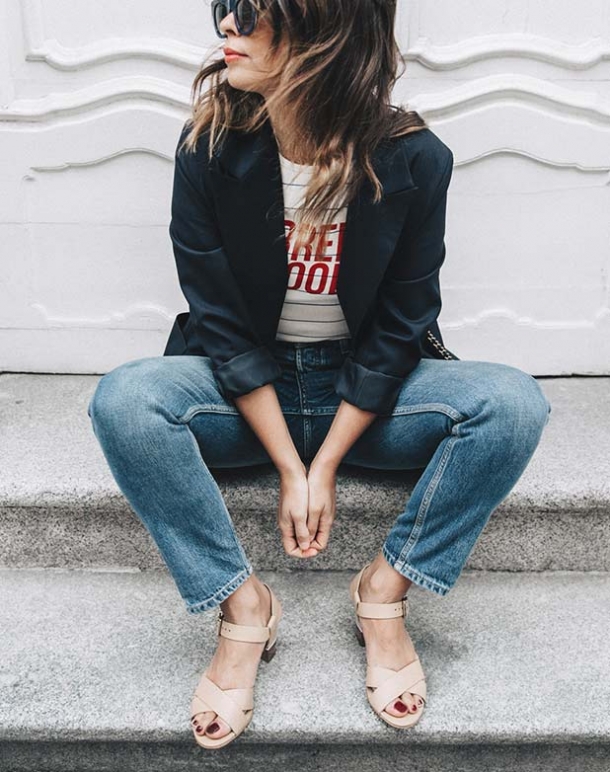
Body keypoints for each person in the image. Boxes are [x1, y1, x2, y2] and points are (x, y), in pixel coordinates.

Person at [87, 0, 552, 750]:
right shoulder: (210, 147)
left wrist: (326, 463)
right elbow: (218, 321)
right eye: (226, 10)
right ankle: (243, 606)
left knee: (512, 403)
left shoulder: (414, 159)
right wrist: (288, 465)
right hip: (244, 392)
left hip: (365, 397)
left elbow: (402, 324)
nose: (227, 29)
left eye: (253, 15)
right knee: (126, 400)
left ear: (324, 34)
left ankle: (384, 590)